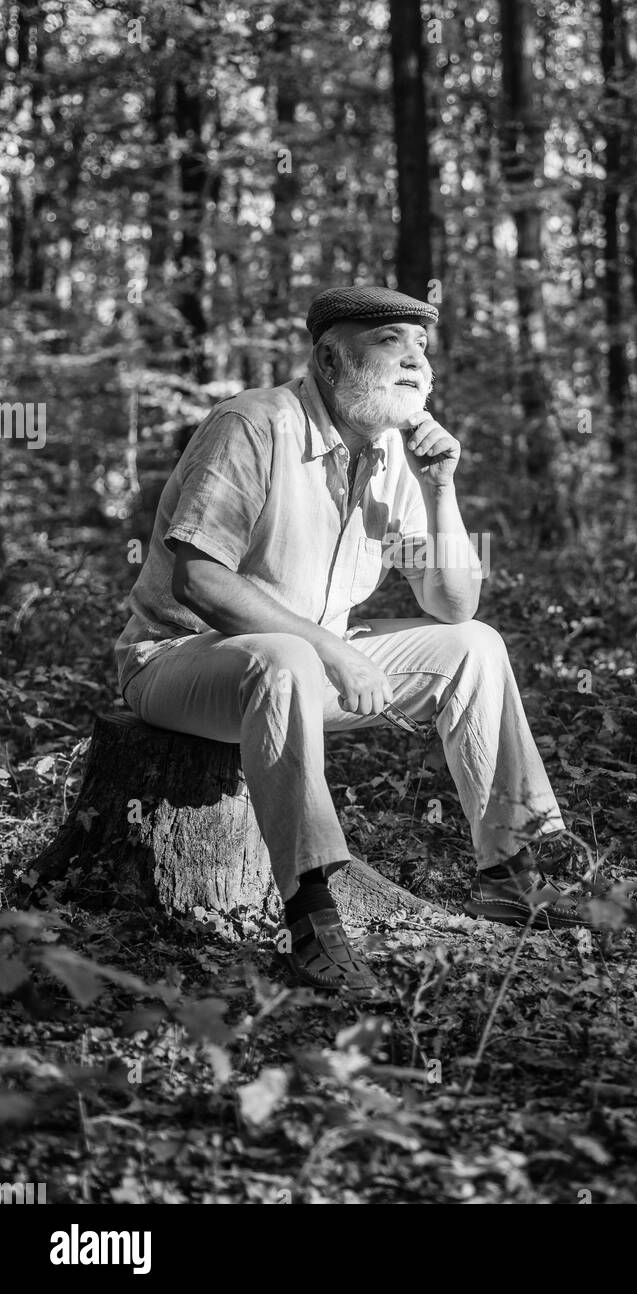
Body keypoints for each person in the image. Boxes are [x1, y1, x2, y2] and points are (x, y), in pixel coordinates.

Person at [115, 286, 586, 995]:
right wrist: (334, 650)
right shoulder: (255, 424)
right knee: (287, 658)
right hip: (181, 662)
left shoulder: (395, 454)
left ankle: (513, 874)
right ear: (331, 359)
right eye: (391, 342)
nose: (416, 361)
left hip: (309, 664)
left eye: (422, 347)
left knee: (477, 647)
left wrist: (441, 486)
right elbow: (199, 582)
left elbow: (452, 603)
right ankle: (311, 916)